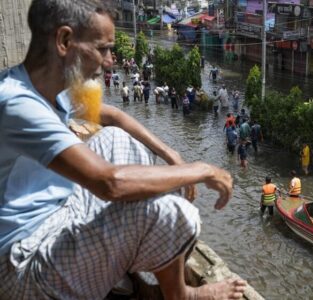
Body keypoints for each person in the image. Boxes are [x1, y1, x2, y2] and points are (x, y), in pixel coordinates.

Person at [0, 1, 246, 299]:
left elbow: (114, 116)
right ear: (64, 41)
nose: (109, 61)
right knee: (173, 213)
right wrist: (202, 169)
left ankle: (134, 277)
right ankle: (180, 295)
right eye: (102, 48)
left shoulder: (48, 91)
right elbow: (110, 183)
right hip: (23, 266)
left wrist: (172, 155)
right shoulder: (16, 102)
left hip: (58, 213)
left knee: (118, 139)